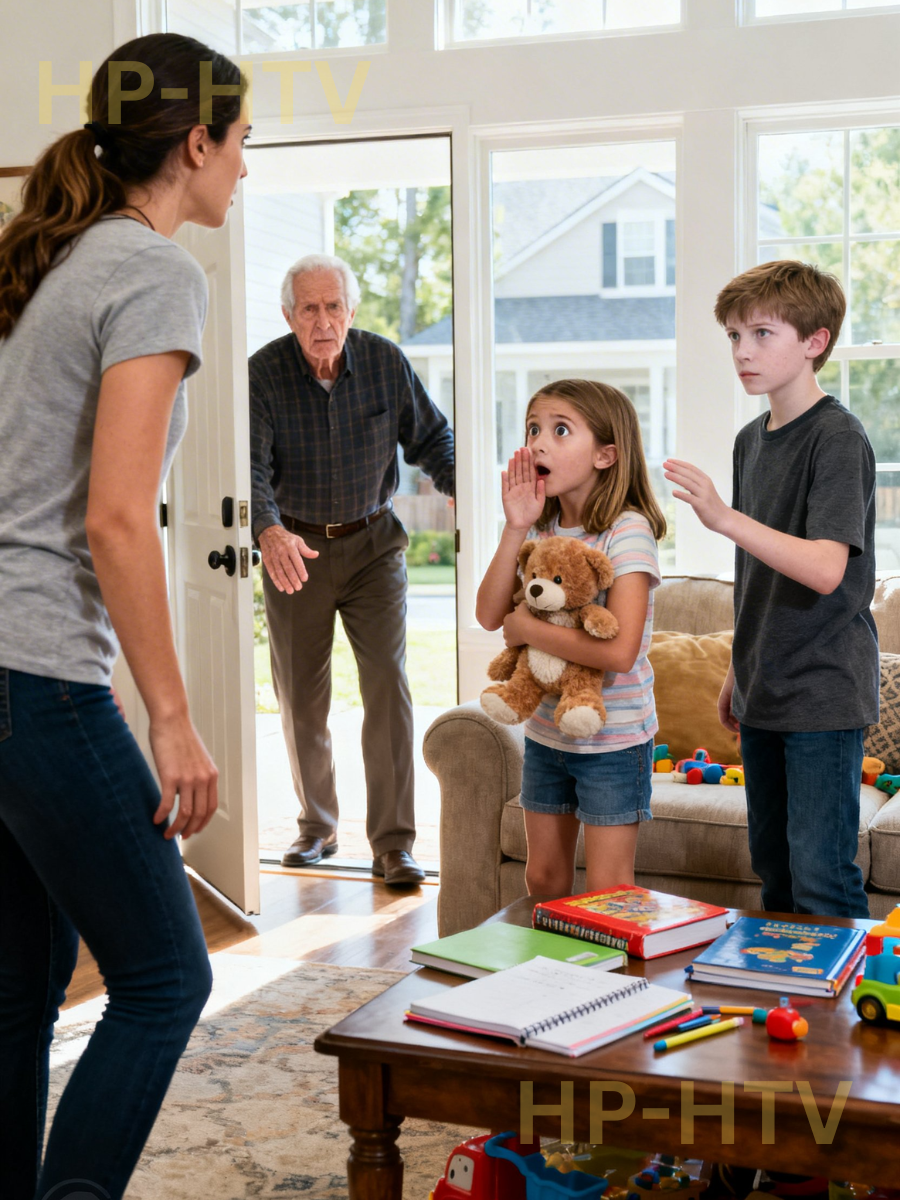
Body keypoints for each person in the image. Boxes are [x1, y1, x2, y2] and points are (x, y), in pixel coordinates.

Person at [0, 33, 250, 1200]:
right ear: (195, 142)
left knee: (22, 973)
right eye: (239, 141)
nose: (242, 167)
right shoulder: (152, 269)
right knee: (165, 977)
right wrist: (171, 716)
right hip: (38, 671)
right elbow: (113, 517)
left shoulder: (50, 258)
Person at [664, 259, 875, 918]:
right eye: (733, 336)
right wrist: (738, 669)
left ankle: (853, 1018)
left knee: (820, 876)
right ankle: (793, 1009)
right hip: (763, 691)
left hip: (823, 691)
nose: (742, 351)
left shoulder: (838, 439)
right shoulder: (749, 441)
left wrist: (723, 516)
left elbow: (823, 568)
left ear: (814, 342)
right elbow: (757, 576)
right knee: (775, 873)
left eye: (761, 334)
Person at [249, 253, 455, 886]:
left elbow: (432, 439)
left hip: (372, 546)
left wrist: (464, 490)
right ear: (288, 315)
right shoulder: (264, 373)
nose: (323, 321)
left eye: (333, 306)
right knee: (302, 699)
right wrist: (267, 528)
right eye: (308, 308)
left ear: (352, 310)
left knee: (387, 685)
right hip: (296, 551)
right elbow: (249, 468)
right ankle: (317, 826)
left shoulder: (384, 362)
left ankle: (394, 843)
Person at [476, 379, 666, 897]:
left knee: (608, 892)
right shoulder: (539, 529)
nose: (539, 442)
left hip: (614, 741)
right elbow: (490, 614)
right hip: (546, 736)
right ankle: (553, 980)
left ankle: (610, 982)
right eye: (534, 429)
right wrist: (516, 526)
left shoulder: (628, 532)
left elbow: (620, 652)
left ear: (606, 454)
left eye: (560, 430)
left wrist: (529, 629)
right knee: (543, 878)